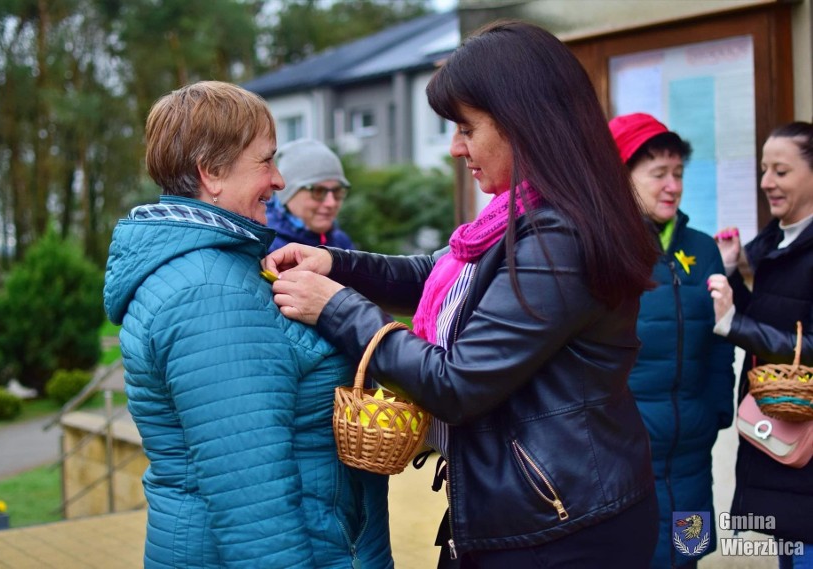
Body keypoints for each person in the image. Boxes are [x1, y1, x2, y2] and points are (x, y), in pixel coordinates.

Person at [264, 21, 660, 568]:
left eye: (466, 128)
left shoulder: (558, 238)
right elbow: (443, 275)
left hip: (562, 530)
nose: (455, 148)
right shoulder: (522, 217)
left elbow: (456, 382)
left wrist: (335, 308)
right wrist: (337, 264)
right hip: (535, 510)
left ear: (525, 125)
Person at [102, 81, 392, 569]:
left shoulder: (223, 266)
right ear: (211, 173)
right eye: (266, 161)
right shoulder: (210, 293)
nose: (279, 181)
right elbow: (254, 505)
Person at [609, 112, 736, 569]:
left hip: (691, 457)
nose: (673, 186)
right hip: (627, 460)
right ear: (621, 178)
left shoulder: (702, 250)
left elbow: (721, 340)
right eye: (658, 174)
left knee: (687, 556)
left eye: (678, 173)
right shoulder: (607, 250)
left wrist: (717, 409)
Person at [708, 121, 813, 569]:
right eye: (764, 169)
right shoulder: (773, 241)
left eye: (782, 171)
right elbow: (776, 320)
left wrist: (734, 325)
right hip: (777, 429)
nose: (767, 181)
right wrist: (732, 274)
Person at [265, 138, 353, 252]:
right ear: (287, 194)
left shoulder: (341, 241)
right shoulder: (266, 248)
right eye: (318, 191)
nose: (331, 203)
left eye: (337, 191)